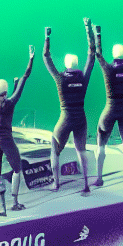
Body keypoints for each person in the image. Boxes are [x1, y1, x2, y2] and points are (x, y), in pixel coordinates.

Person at [42, 19, 96, 194]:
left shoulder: (60, 78)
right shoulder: (83, 77)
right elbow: (92, 55)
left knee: (55, 148)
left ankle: (56, 183)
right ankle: (86, 185)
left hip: (66, 118)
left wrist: (47, 37)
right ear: (77, 63)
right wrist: (88, 30)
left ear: (65, 64)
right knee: (81, 151)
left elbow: (46, 58)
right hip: (81, 118)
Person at [0, 46, 35, 215]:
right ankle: (15, 201)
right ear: (6, 94)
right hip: (5, 141)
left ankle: (1, 204)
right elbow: (24, 80)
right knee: (17, 168)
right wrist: (30, 59)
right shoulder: (9, 104)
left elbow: (5, 98)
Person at [93, 18, 123, 185]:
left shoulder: (108, 69)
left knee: (101, 144)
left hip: (110, 109)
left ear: (113, 55)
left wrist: (97, 33)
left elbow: (98, 55)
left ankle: (99, 178)